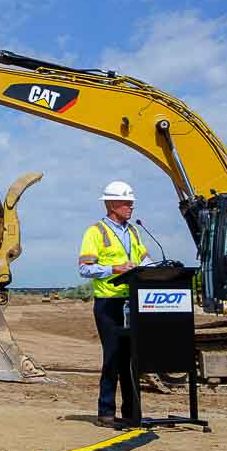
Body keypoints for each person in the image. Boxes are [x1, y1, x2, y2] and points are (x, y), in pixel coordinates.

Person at [77, 180, 152, 428]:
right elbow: (84, 269)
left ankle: (132, 411)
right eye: (125, 202)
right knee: (112, 357)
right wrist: (114, 268)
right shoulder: (95, 232)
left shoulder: (133, 231)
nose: (131, 206)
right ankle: (106, 411)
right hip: (109, 303)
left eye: (131, 202)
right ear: (110, 204)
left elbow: (145, 259)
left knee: (131, 359)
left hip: (133, 303)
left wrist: (161, 269)